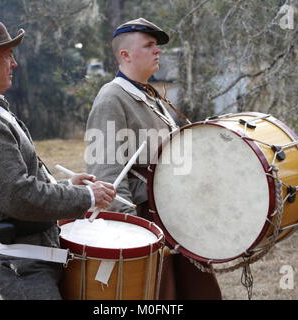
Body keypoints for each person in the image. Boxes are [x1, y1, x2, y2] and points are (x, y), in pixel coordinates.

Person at [0, 16, 116, 300]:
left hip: (25, 257)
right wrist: (87, 198)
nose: (14, 63)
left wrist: (69, 188)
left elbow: (13, 183)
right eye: (7, 55)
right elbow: (18, 196)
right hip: (19, 263)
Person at [85, 18, 222, 300]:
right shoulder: (112, 97)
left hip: (174, 219)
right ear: (125, 55)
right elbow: (107, 176)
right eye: (148, 46)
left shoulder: (152, 96)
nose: (157, 51)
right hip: (147, 222)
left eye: (156, 46)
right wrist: (134, 236)